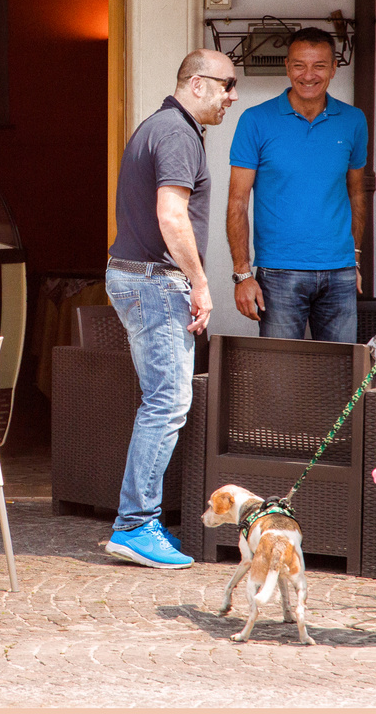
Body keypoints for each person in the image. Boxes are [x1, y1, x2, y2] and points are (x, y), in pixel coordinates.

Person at [103, 48, 237, 569]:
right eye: (226, 85)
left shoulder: (158, 126)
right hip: (157, 281)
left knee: (160, 400)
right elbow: (171, 215)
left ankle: (137, 521)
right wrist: (200, 284)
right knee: (167, 402)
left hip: (137, 277)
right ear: (198, 83)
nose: (231, 96)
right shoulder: (179, 132)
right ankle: (136, 525)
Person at [227, 27, 368, 343]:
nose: (309, 75)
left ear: (333, 68)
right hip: (279, 273)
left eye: (319, 65)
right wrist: (242, 274)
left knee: (342, 375)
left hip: (340, 272)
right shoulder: (255, 120)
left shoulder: (353, 120)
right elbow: (237, 200)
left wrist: (354, 257)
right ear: (287, 67)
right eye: (299, 65)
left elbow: (356, 191)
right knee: (279, 375)